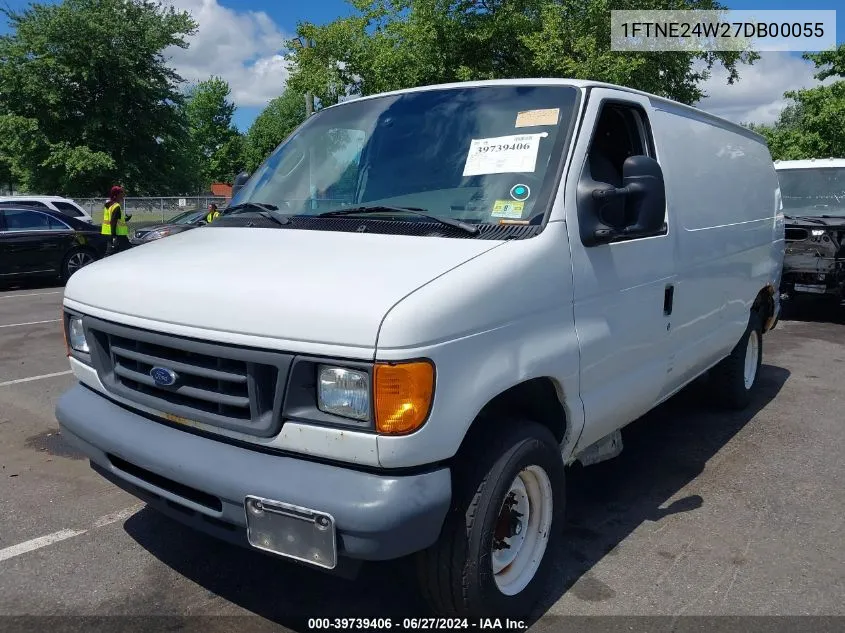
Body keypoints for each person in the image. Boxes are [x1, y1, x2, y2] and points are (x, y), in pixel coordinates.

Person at [101, 186, 131, 256]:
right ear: (116, 195)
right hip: (118, 234)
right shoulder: (116, 206)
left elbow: (116, 219)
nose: (123, 195)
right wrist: (114, 236)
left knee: (112, 253)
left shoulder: (108, 205)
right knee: (128, 252)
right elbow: (113, 221)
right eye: (121, 193)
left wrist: (126, 219)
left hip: (108, 233)